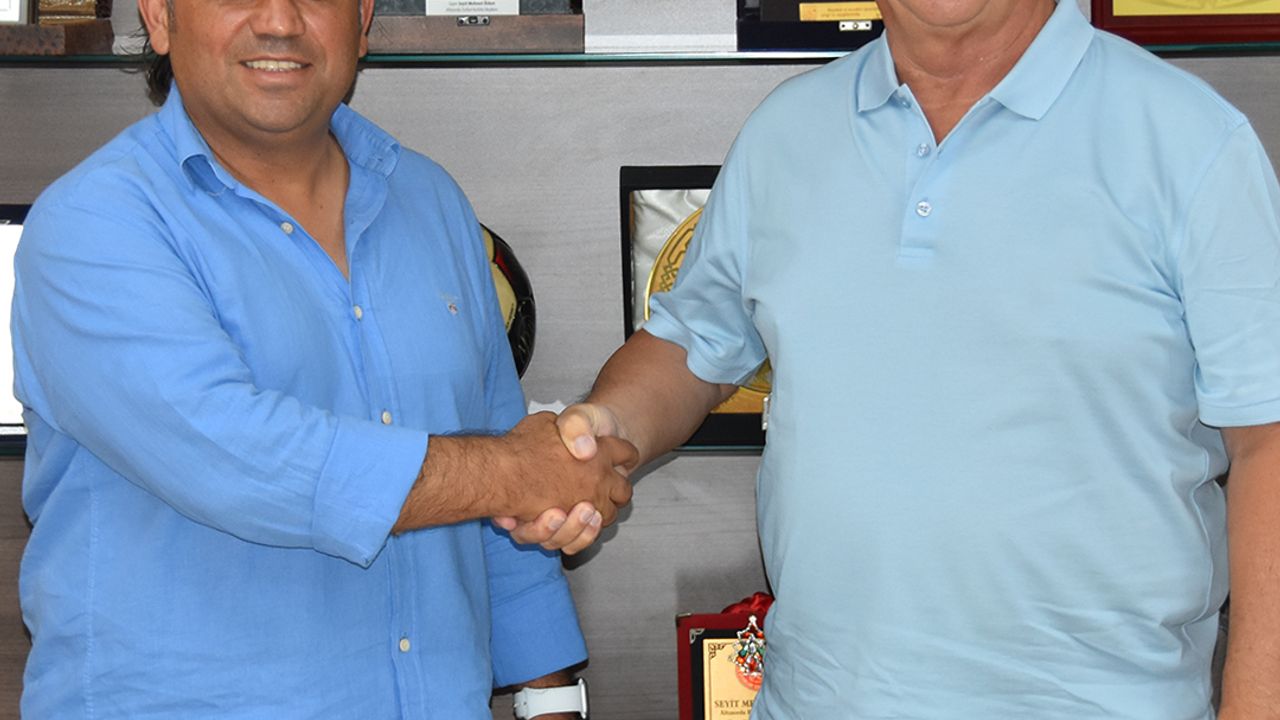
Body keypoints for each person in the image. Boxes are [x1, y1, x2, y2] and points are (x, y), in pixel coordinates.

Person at [505, 0, 1280, 717]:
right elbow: (690, 345)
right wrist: (601, 431)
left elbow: (1267, 443)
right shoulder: (786, 132)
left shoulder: (1191, 143)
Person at [10, 0, 637, 715]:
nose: (279, 20)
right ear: (159, 16)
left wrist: (550, 700)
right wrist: (516, 473)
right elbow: (245, 459)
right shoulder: (94, 224)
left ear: (362, 17)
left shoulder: (430, 201)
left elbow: (504, 494)